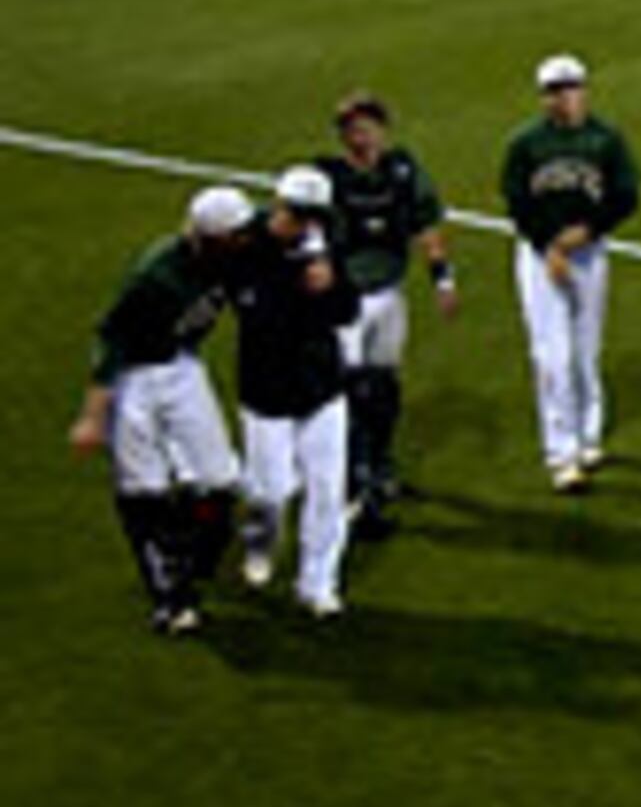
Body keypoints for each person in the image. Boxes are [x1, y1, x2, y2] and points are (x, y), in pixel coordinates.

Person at [67, 188, 255, 636]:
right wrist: (94, 415)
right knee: (143, 490)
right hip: (134, 380)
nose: (247, 239)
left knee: (220, 481)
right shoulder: (157, 277)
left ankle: (190, 554)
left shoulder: (229, 253)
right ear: (213, 239)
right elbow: (111, 337)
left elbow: (277, 222)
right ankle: (170, 598)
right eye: (237, 234)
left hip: (182, 365)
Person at [498, 53, 641, 493]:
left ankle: (589, 435)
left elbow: (625, 196)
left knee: (585, 351)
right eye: (556, 91)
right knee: (551, 357)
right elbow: (517, 203)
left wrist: (588, 232)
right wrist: (549, 247)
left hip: (590, 255)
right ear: (544, 98)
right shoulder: (525, 144)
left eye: (572, 88)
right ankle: (561, 453)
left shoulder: (606, 140)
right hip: (540, 258)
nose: (566, 99)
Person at [315, 89, 455, 532]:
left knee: (384, 387)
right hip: (345, 301)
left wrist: (443, 279)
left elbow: (425, 224)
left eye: (368, 125)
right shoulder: (326, 179)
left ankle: (380, 465)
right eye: (352, 127)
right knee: (351, 392)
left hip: (389, 294)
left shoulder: (401, 170)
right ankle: (356, 484)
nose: (361, 135)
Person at [224, 167, 359, 616]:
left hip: (322, 385)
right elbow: (258, 317)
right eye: (298, 215)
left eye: (313, 216)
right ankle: (259, 543)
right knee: (272, 489)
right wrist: (299, 286)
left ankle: (318, 583)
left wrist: (331, 284)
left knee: (327, 490)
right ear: (278, 207)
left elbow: (348, 309)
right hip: (268, 391)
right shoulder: (247, 250)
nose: (306, 225)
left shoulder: (325, 243)